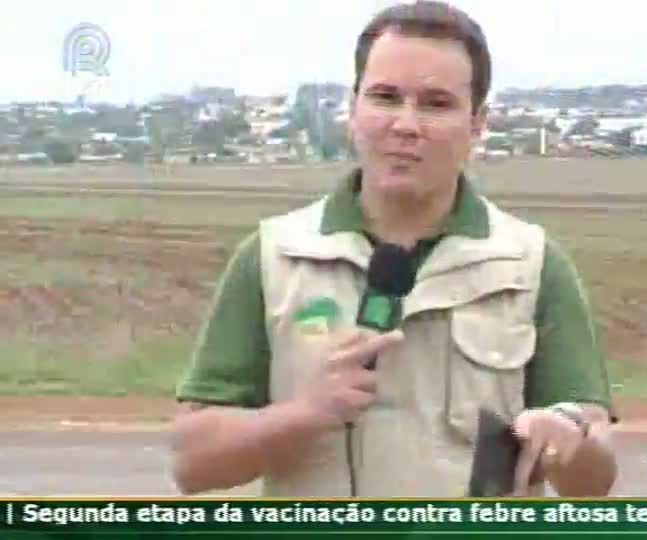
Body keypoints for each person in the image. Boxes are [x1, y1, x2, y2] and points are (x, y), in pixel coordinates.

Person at [170, 0, 618, 497]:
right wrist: (304, 414)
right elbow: (193, 464)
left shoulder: (532, 265)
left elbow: (595, 481)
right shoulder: (274, 256)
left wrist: (569, 436)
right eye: (385, 97)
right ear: (353, 109)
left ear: (478, 123)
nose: (406, 124)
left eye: (436, 103)